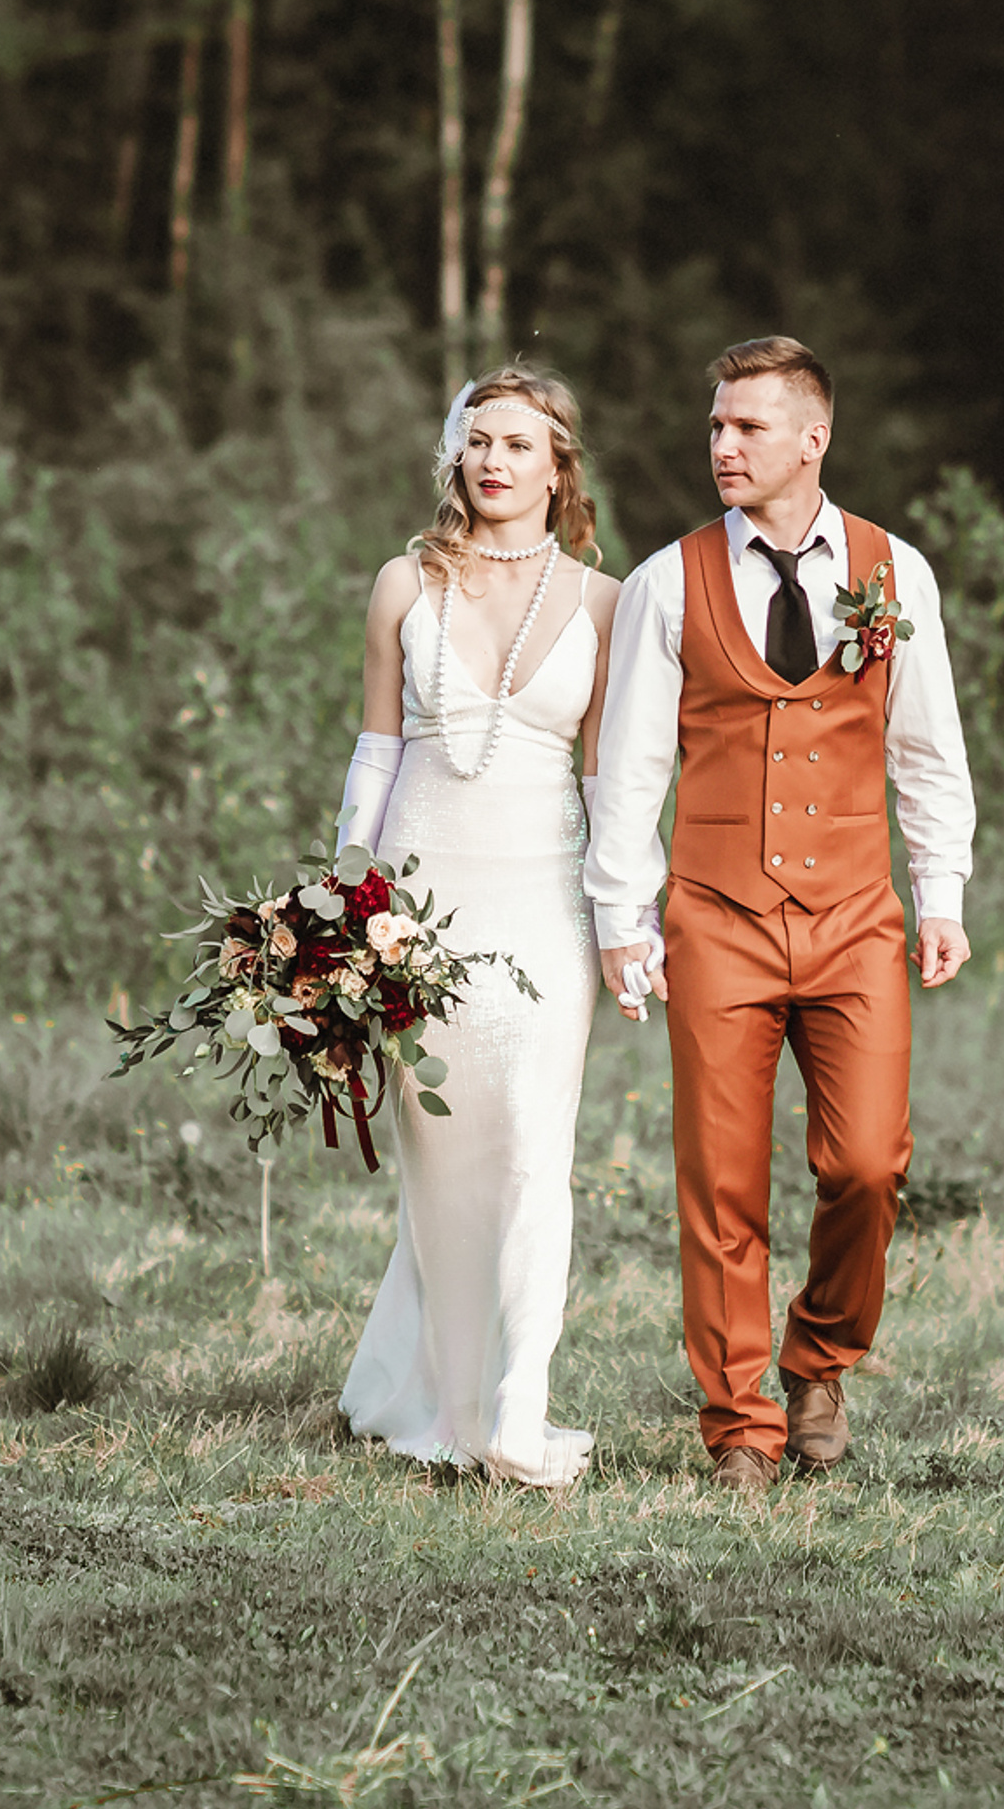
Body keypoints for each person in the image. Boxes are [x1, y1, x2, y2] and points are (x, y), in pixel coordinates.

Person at [585, 336, 977, 1489]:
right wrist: (623, 914)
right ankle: (740, 1425)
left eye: (745, 427)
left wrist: (938, 888)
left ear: (812, 439)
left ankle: (821, 1356)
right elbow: (631, 768)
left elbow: (927, 747)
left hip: (857, 913)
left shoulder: (893, 572)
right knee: (720, 1180)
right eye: (714, 425)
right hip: (714, 915)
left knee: (866, 1163)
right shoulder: (669, 579)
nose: (721, 444)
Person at [333, 365, 618, 1486]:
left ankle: (521, 1402)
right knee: (441, 1160)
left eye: (518, 443)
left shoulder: (605, 600)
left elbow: (610, 783)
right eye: (477, 440)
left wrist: (624, 919)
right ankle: (449, 1407)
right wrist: (341, 901)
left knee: (536, 1149)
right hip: (418, 903)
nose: (492, 460)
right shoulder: (402, 583)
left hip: (547, 901)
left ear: (559, 466)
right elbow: (376, 749)